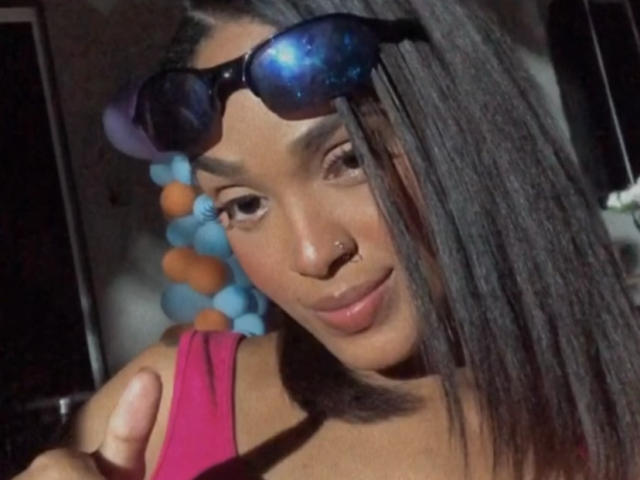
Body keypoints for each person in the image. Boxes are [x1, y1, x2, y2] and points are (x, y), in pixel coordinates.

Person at [14, 0, 640, 479]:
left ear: (468, 130)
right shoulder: (158, 418)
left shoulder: (619, 415)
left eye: (349, 161)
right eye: (244, 204)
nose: (313, 255)